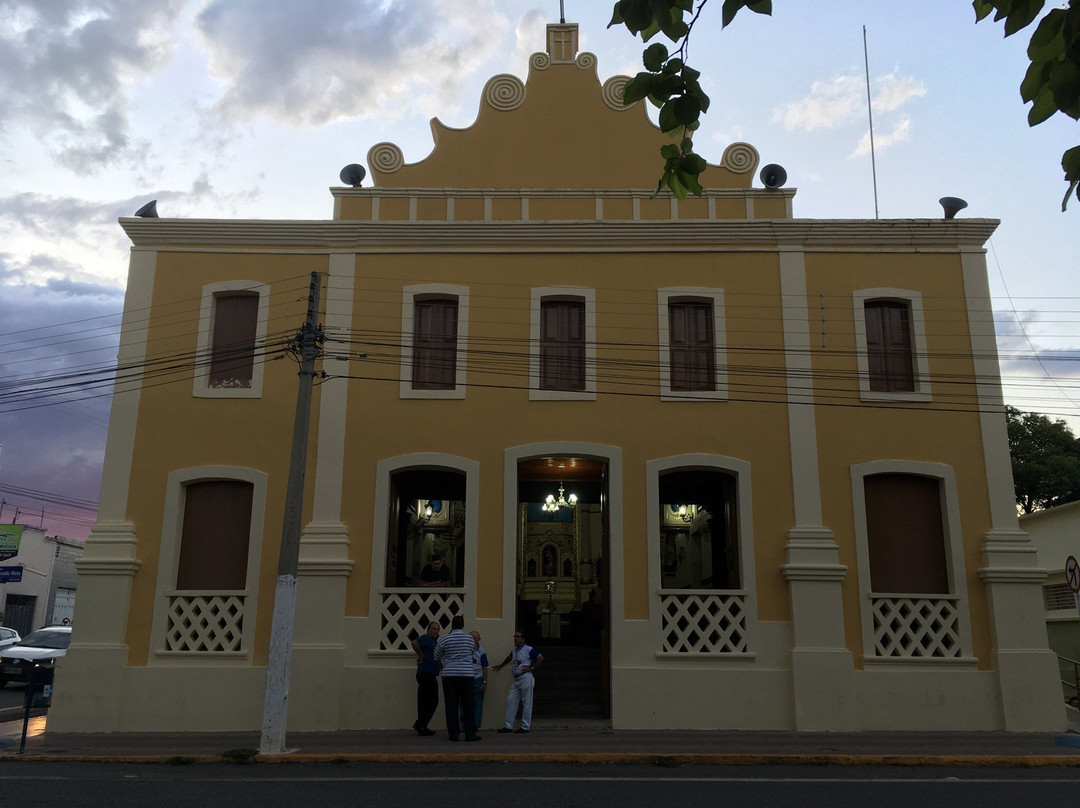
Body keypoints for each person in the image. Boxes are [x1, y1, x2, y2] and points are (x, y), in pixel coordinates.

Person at [435, 614, 480, 741]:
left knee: (451, 705)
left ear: (452, 625)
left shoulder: (445, 639)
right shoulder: (469, 639)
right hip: (467, 674)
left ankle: (453, 735)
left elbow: (436, 655)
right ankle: (470, 733)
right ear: (463, 625)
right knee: (468, 705)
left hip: (449, 674)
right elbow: (472, 652)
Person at [493, 629, 543, 734]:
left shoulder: (528, 649)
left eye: (518, 637)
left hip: (525, 678)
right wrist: (501, 665)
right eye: (515, 637)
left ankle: (525, 726)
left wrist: (531, 668)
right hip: (516, 678)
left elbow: (540, 658)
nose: (515, 639)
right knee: (511, 700)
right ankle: (508, 725)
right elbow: (509, 657)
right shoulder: (515, 650)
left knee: (527, 702)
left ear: (523, 639)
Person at [409, 621, 440, 736]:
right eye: (433, 629)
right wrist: (421, 655)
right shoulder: (426, 638)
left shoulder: (434, 642)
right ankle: (420, 724)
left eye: (437, 630)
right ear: (428, 630)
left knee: (430, 701)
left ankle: (423, 724)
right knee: (428, 700)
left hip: (432, 674)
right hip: (426, 674)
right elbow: (414, 643)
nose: (436, 631)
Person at [468, 630, 489, 730]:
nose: (472, 640)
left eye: (474, 638)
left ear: (479, 639)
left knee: (477, 703)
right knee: (464, 702)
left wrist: (484, 682)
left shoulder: (481, 652)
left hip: (477, 679)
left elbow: (485, 667)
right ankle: (465, 724)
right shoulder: (465, 649)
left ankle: (475, 725)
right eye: (470, 637)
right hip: (466, 678)